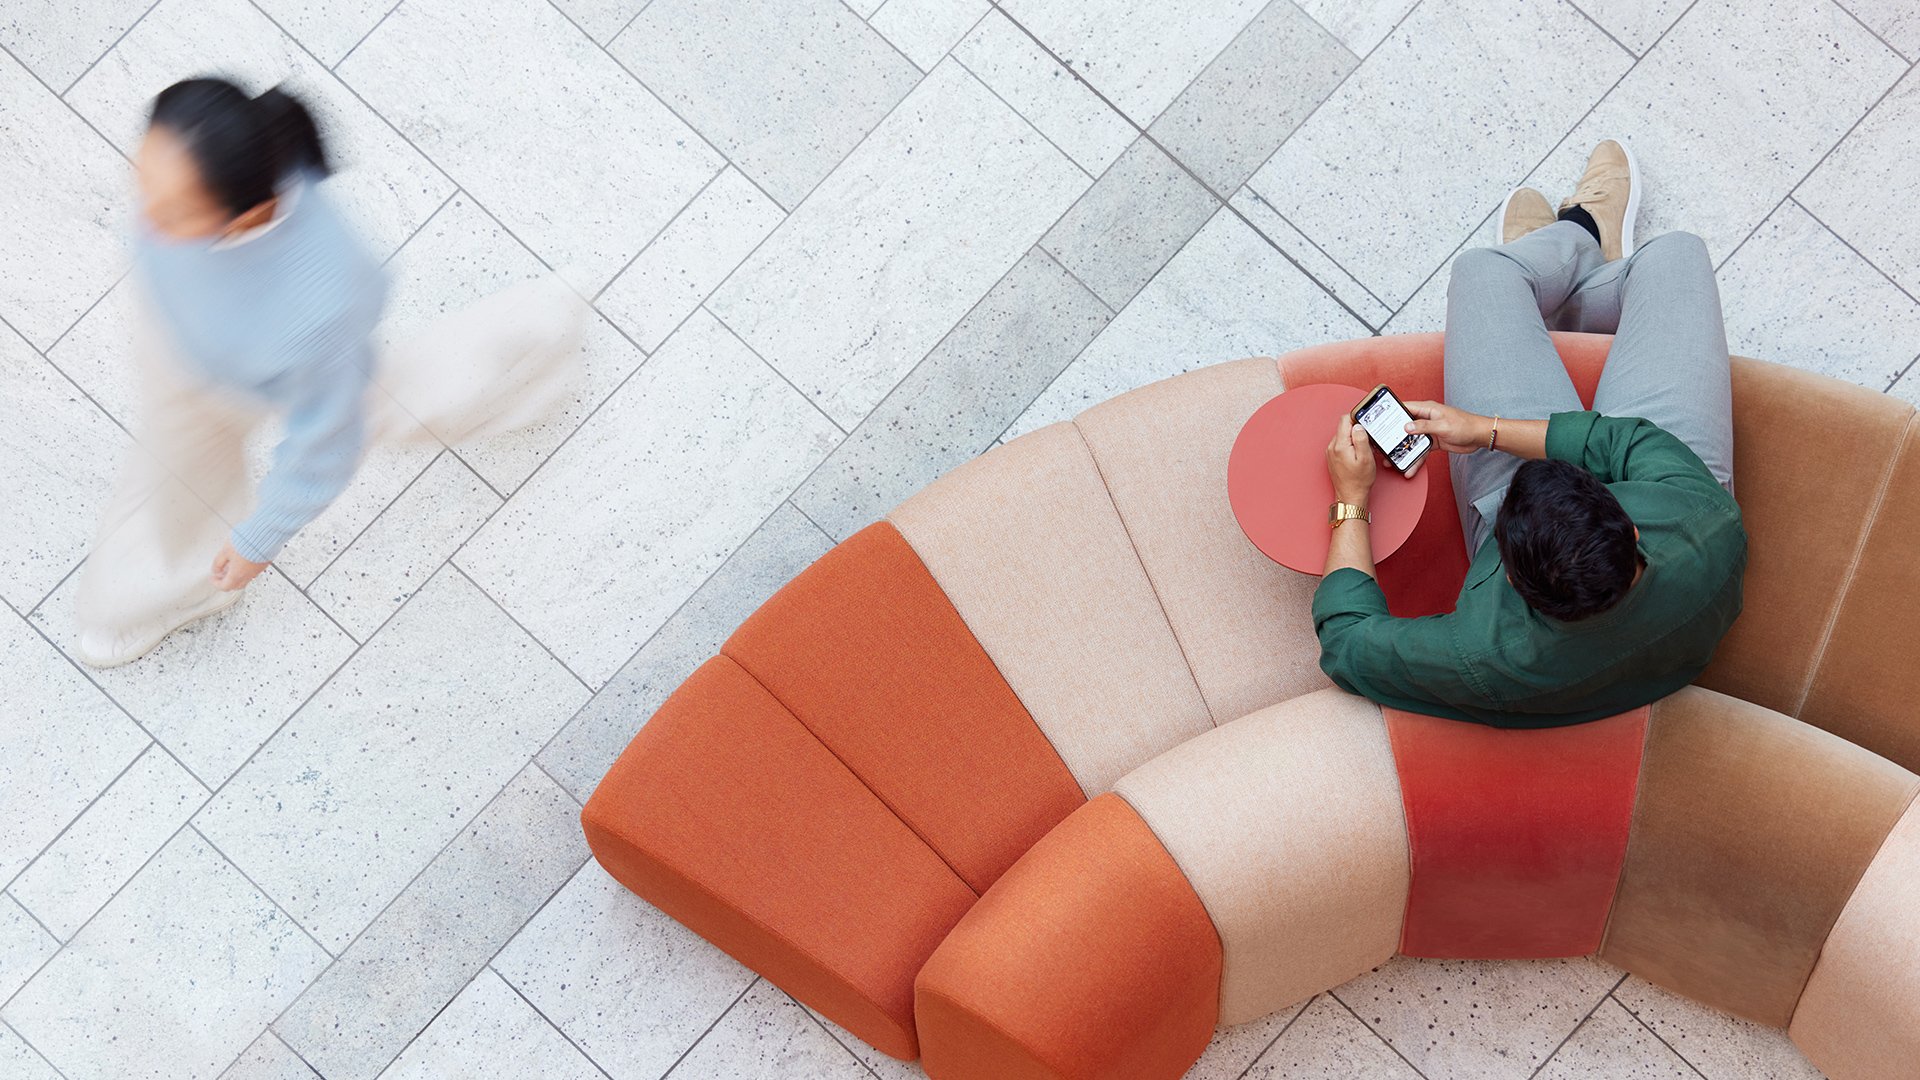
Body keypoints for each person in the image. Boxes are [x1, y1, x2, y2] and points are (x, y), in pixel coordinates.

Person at [75, 77, 584, 667]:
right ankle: (536, 332)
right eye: (142, 180)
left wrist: (261, 536)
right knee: (387, 398)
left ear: (246, 211)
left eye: (176, 210)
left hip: (229, 380)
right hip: (203, 348)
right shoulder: (219, 165)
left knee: (218, 465)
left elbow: (324, 443)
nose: (146, 219)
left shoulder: (322, 300)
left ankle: (181, 590)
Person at [1312, 140, 1747, 727]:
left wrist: (1351, 501)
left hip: (1574, 581)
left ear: (1512, 576)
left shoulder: (1485, 657)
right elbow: (1619, 443)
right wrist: (1484, 429)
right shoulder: (1705, 521)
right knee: (1675, 255)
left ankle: (1572, 238)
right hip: (1673, 501)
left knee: (1484, 270)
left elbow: (1346, 642)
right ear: (1629, 521)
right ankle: (1583, 248)